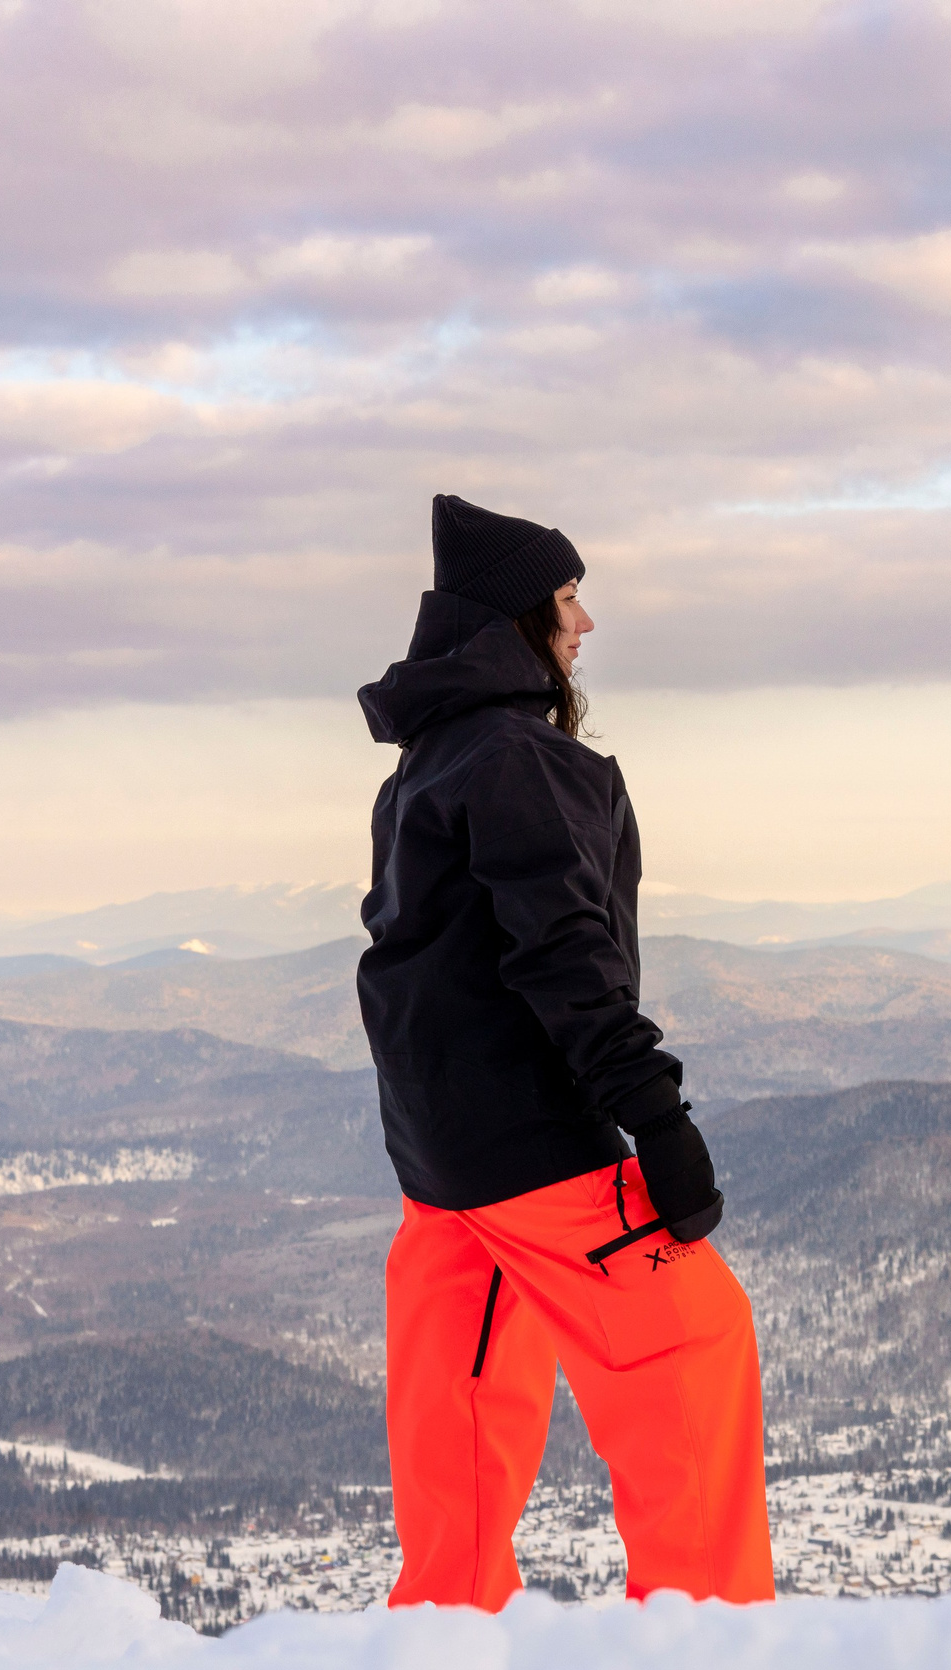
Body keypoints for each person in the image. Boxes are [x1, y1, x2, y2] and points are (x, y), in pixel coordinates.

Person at [355, 493, 774, 1611]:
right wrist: (658, 1118)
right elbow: (564, 952)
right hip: (540, 1150)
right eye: (567, 599)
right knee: (695, 1349)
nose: (584, 623)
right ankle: (709, 1657)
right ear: (515, 623)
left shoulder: (427, 766)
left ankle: (439, 1658)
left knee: (468, 1410)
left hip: (440, 1168)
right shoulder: (518, 757)